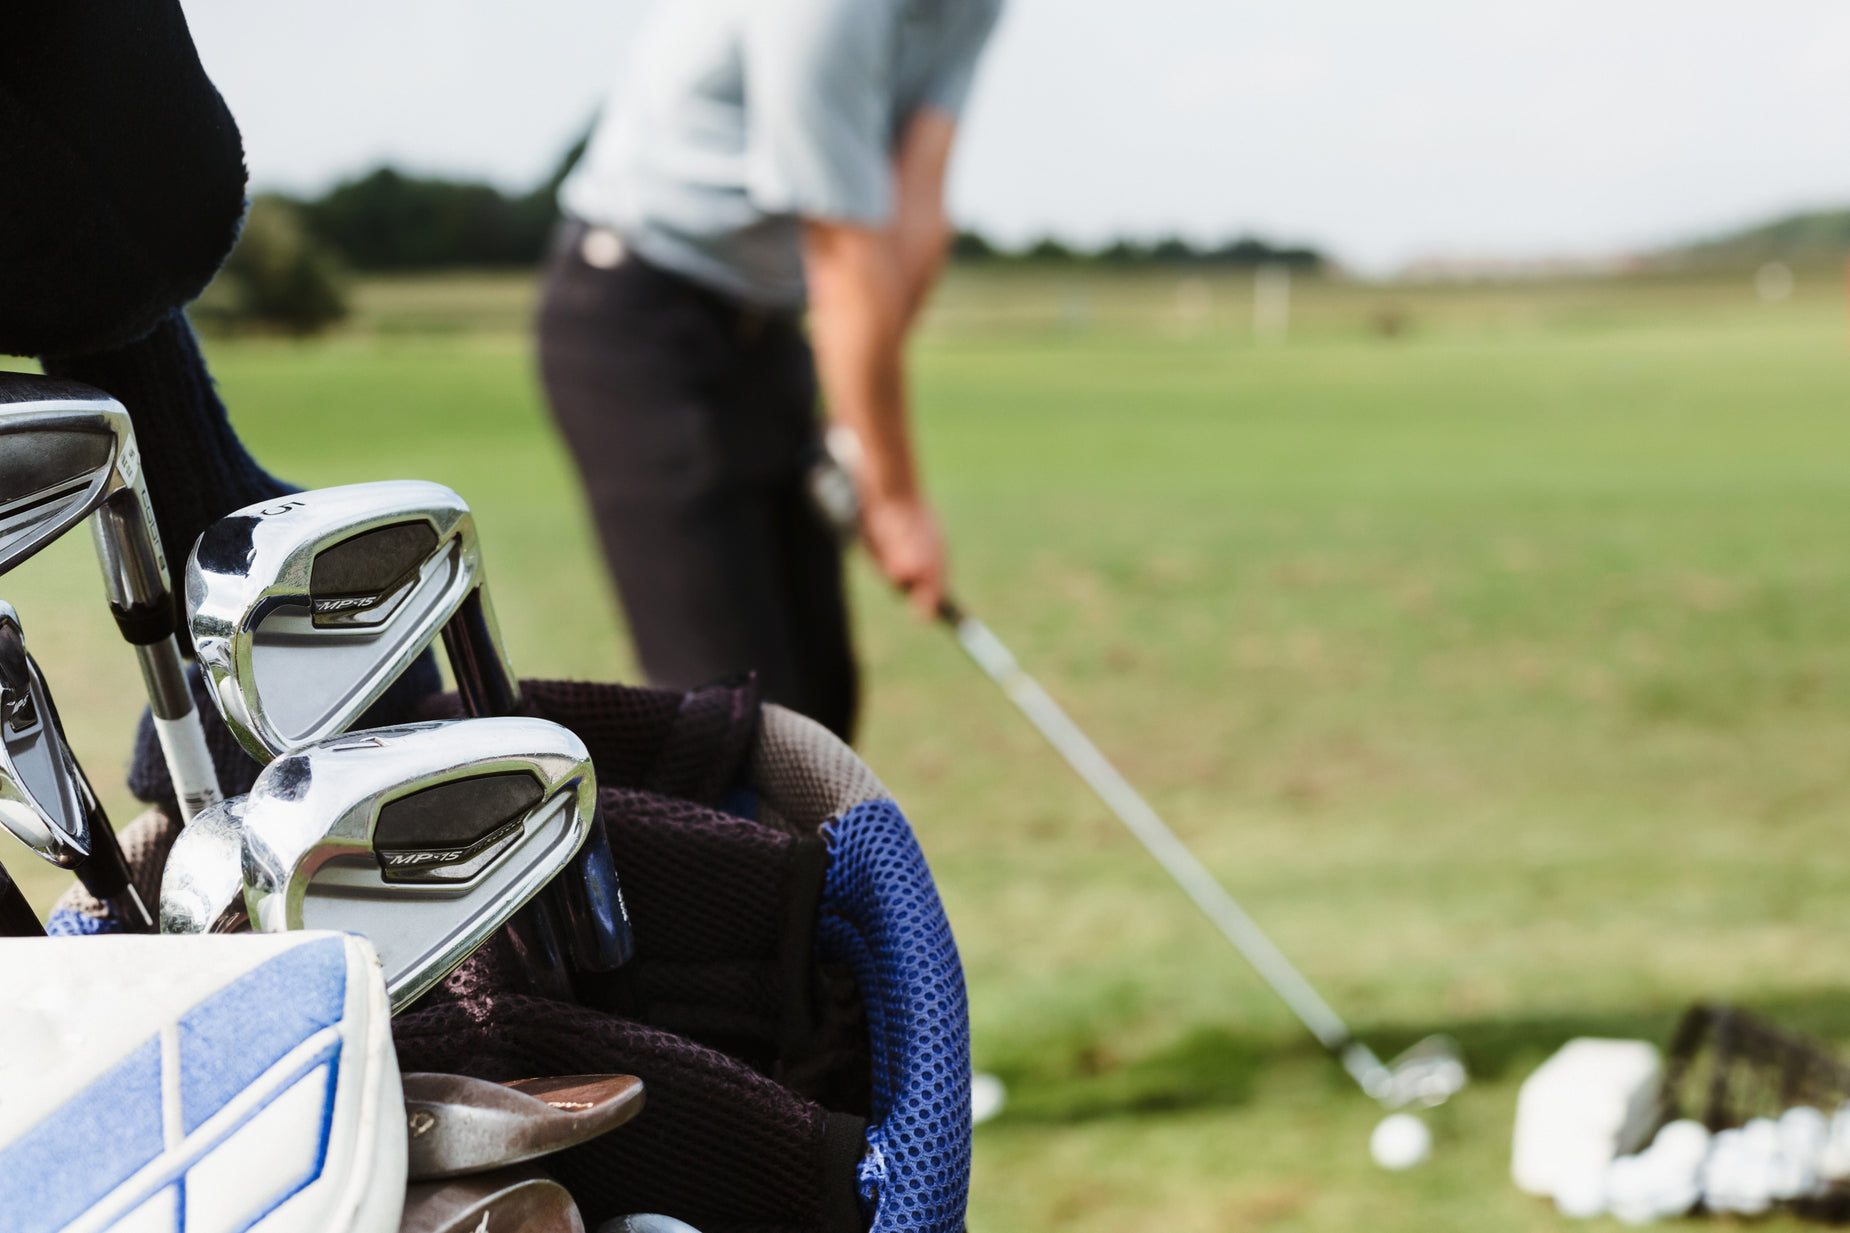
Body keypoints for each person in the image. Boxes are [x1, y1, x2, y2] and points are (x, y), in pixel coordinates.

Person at [538, 0, 1005, 743]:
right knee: (737, 731)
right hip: (636, 323)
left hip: (766, 332)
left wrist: (857, 432)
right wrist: (896, 499)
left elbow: (917, 203)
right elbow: (845, 253)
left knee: (819, 711)